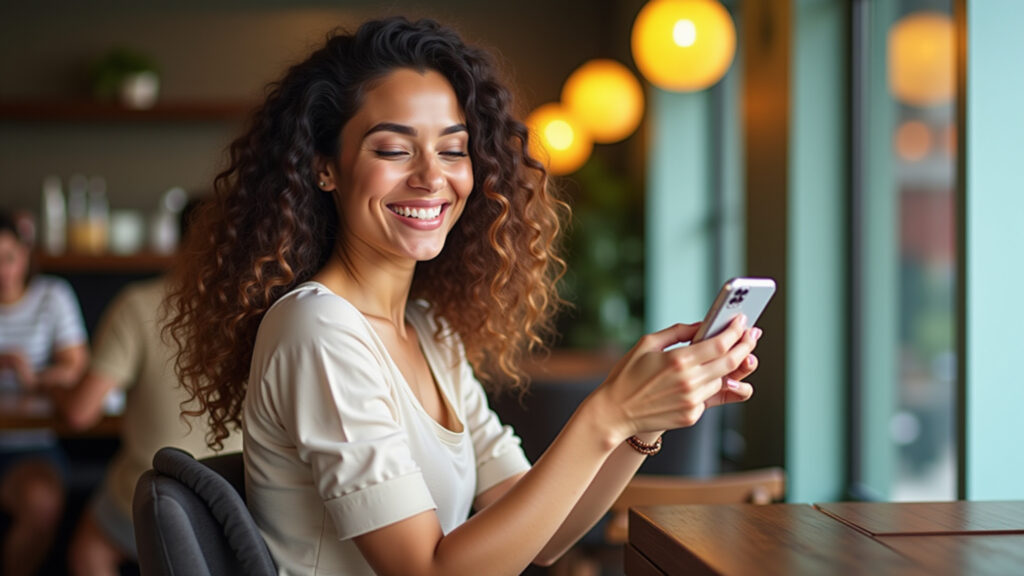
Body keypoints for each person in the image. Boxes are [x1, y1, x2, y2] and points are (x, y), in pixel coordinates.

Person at [165, 17, 763, 576]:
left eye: (453, 149)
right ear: (326, 168)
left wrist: (639, 426)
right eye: (394, 149)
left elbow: (547, 538)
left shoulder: (428, 331)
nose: (431, 176)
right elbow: (428, 570)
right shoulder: (317, 330)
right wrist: (607, 415)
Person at [51, 199, 243, 576]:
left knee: (90, 550)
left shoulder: (137, 303)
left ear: (178, 242)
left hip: (158, 492)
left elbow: (79, 413)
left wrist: (55, 390)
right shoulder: (259, 304)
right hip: (238, 497)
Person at [0, 210, 89, 576]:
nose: (1, 271)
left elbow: (76, 368)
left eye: (7, 258)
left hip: (30, 443)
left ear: (24, 255)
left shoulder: (52, 295)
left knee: (42, 504)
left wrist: (33, 377)